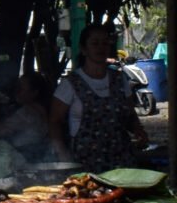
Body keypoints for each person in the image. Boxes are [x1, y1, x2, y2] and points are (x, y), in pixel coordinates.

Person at [51, 22, 146, 171]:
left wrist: (139, 131)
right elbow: (55, 122)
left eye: (105, 43)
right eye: (95, 43)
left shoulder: (119, 79)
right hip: (85, 162)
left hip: (121, 160)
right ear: (84, 49)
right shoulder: (70, 84)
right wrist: (62, 154)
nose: (101, 47)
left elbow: (130, 115)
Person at [0, 71, 56, 158]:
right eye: (17, 87)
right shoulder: (45, 109)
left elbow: (1, 130)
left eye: (21, 88)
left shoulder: (27, 112)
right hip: (37, 156)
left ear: (34, 92)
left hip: (23, 157)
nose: (17, 91)